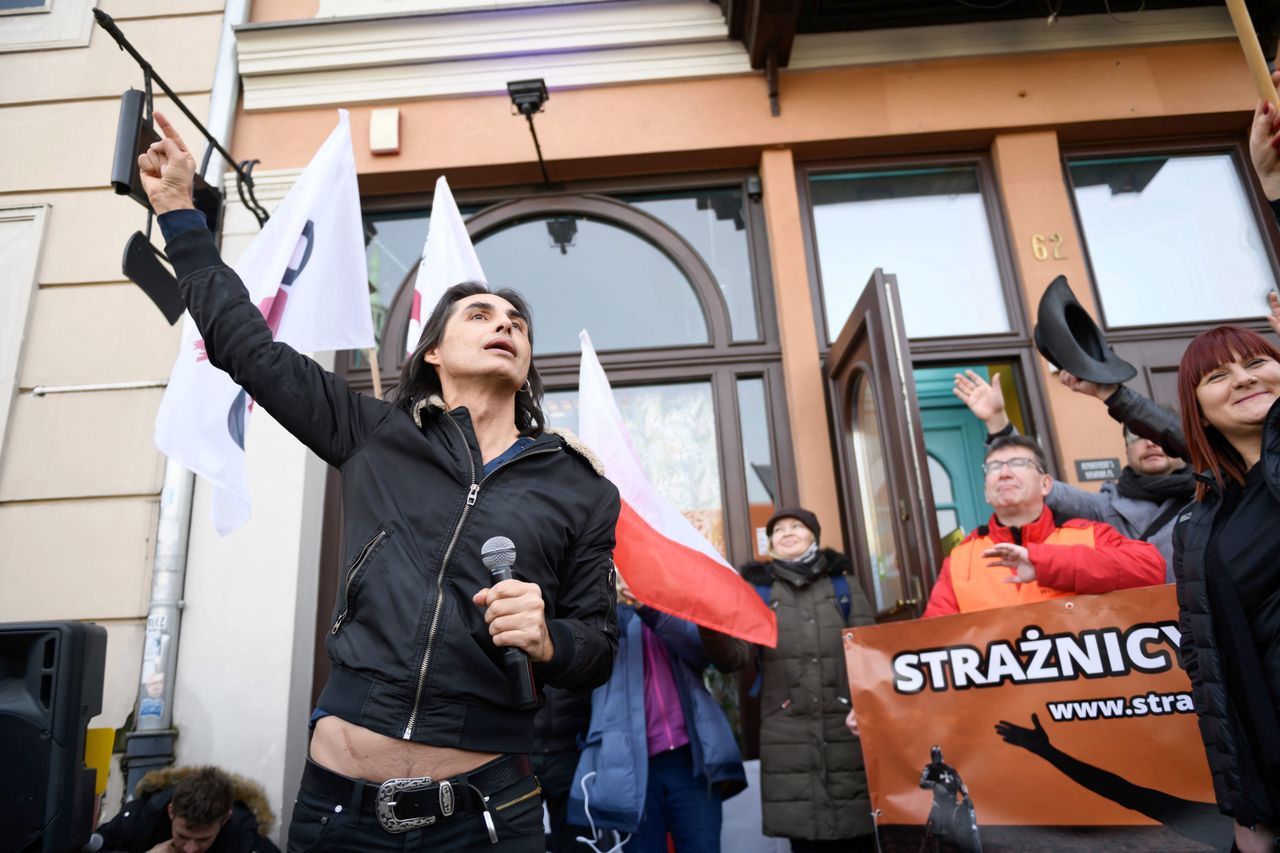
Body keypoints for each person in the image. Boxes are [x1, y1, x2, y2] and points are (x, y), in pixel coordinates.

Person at [138, 114, 620, 851]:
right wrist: (179, 213)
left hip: (488, 817)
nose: (506, 324)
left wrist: (550, 639)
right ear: (433, 353)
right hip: (341, 811)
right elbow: (245, 345)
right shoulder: (372, 432)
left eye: (519, 322)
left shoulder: (580, 487)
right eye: (482, 313)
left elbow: (600, 645)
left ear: (527, 361)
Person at [1169, 325, 1280, 853]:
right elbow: (1204, 659)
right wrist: (1246, 802)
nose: (1242, 379)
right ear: (1199, 412)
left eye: (1257, 363)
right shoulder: (1196, 524)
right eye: (1218, 375)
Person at [716, 508, 876, 852]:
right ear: (770, 542)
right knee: (805, 837)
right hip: (787, 729)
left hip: (847, 725)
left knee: (859, 832)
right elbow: (736, 656)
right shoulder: (758, 591)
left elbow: (869, 652)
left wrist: (865, 706)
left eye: (797, 526)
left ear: (814, 536)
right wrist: (708, 625)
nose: (787, 532)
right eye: (779, 529)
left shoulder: (843, 585)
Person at [568, 573, 746, 852]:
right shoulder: (599, 611)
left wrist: (649, 605)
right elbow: (582, 664)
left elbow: (702, 652)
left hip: (690, 761)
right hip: (628, 765)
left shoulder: (676, 606)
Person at [952, 369, 1193, 576]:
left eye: (1158, 437)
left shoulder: (1213, 492)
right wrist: (997, 423)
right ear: (1126, 449)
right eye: (1137, 436)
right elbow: (1037, 484)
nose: (1150, 444)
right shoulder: (1105, 507)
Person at [922, 436, 1165, 617]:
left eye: (1018, 463)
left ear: (1046, 484)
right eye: (994, 467)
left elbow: (1151, 568)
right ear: (986, 492)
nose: (1004, 473)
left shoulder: (1088, 533)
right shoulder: (960, 558)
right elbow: (935, 640)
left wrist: (1043, 562)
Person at [95, 766, 280, 853]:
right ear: (171, 812)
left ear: (224, 820)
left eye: (203, 839)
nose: (190, 849)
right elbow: (92, 847)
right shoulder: (141, 818)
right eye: (182, 836)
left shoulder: (244, 837)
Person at [531, 686, 591, 852]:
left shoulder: (572, 663)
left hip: (568, 754)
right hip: (526, 755)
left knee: (572, 838)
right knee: (521, 835)